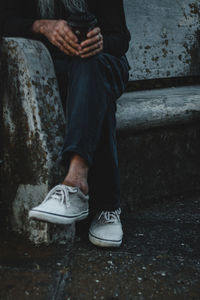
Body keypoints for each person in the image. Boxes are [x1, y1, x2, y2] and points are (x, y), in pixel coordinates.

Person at [0, 0, 131, 247]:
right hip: (53, 67)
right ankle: (107, 209)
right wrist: (41, 26)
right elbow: (5, 20)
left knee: (90, 64)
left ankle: (75, 182)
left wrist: (101, 41)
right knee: (98, 99)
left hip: (104, 63)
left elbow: (121, 39)